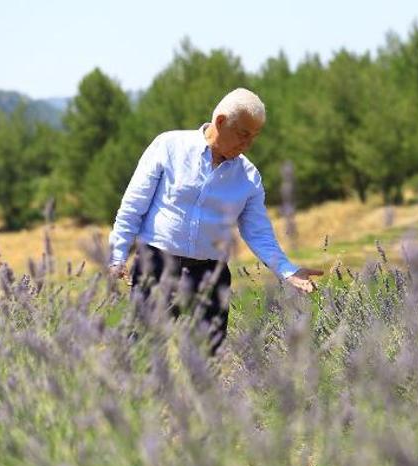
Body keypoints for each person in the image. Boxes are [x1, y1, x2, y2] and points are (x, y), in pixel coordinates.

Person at [107, 88, 323, 355]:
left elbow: (258, 233)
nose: (248, 144)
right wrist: (117, 255)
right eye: (243, 134)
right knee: (142, 357)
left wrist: (288, 270)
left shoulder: (249, 177)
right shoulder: (169, 146)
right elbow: (133, 205)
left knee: (207, 366)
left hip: (210, 277)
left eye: (254, 137)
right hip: (157, 268)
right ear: (220, 122)